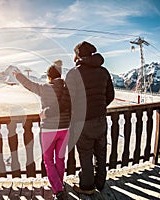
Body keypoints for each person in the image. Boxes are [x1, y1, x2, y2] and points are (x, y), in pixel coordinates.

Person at [13, 61, 70, 200]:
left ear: (49, 77)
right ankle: (59, 184)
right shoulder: (67, 89)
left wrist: (18, 75)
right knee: (60, 159)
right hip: (65, 128)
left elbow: (29, 85)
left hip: (49, 129)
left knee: (48, 160)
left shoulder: (44, 88)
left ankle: (58, 189)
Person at [65, 41, 114, 195]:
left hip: (82, 122)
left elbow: (67, 100)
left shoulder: (73, 73)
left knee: (85, 155)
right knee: (101, 152)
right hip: (100, 119)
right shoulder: (103, 71)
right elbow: (110, 95)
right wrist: (99, 107)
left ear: (78, 55)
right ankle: (100, 183)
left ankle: (87, 187)